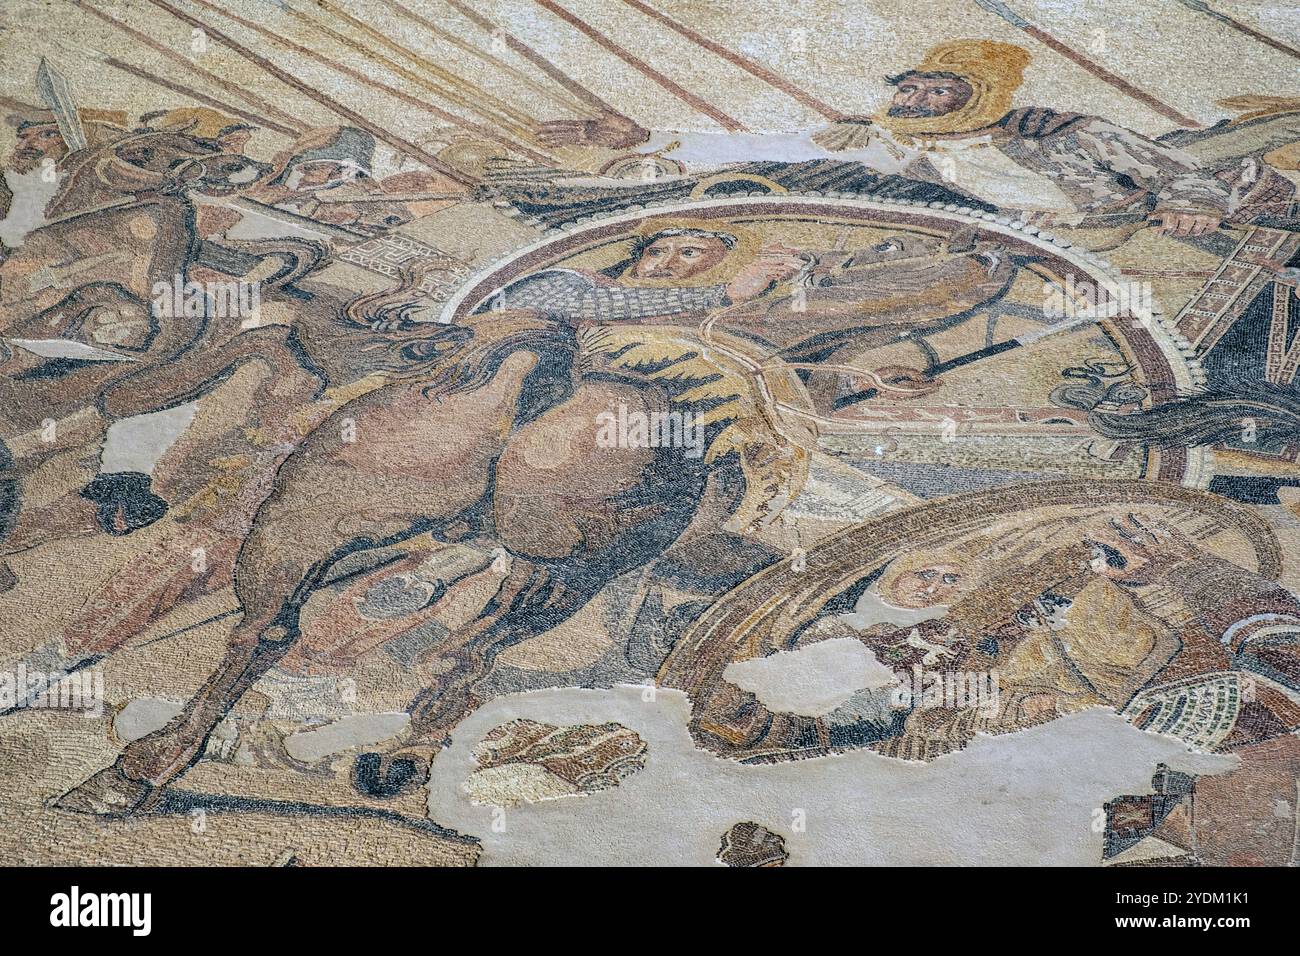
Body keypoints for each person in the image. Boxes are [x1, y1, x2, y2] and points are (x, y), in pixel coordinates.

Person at [538, 40, 1230, 238]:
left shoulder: (1061, 132)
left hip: (1103, 235)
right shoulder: (873, 139)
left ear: (977, 97)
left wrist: (1195, 204)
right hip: (975, 242)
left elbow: (1173, 170)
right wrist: (650, 136)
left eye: (940, 89)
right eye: (912, 85)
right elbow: (775, 147)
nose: (917, 98)